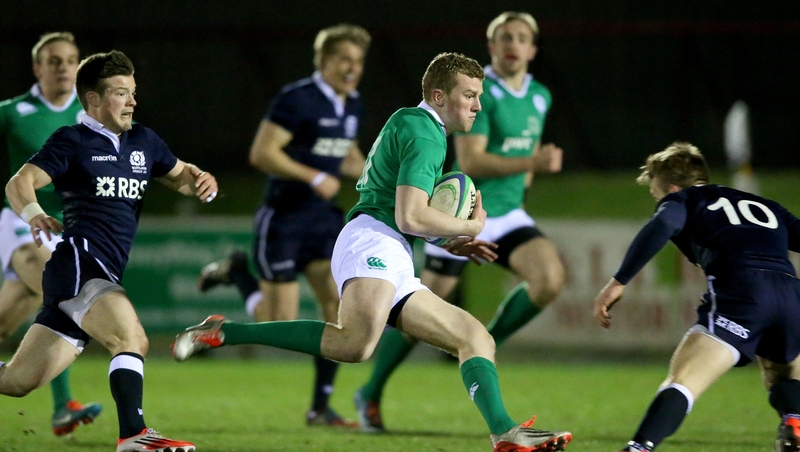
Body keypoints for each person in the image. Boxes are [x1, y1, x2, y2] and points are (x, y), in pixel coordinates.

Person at [173, 52, 573, 452]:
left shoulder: (415, 124)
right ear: (438, 96)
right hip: (372, 241)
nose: (477, 105)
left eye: (479, 96)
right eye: (468, 95)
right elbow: (411, 215)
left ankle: (505, 433)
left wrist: (447, 239)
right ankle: (224, 331)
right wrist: (469, 225)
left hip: (390, 246)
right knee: (356, 344)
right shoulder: (424, 133)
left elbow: (408, 217)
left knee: (475, 338)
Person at [352, 11, 565, 433]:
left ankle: (485, 345)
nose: (514, 43)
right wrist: (533, 162)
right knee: (414, 317)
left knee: (550, 278)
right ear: (492, 45)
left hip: (507, 213)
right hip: (458, 211)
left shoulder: (540, 95)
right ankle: (371, 391)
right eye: (505, 36)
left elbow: (526, 162)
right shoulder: (475, 91)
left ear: (533, 49)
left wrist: (526, 182)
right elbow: (472, 160)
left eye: (522, 37)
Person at [1, 50, 217, 452]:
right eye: (121, 93)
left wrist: (202, 179)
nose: (133, 101)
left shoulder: (144, 141)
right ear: (93, 100)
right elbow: (20, 181)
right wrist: (33, 213)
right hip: (79, 266)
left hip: (98, 274)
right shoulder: (73, 140)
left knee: (16, 381)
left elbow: (181, 176)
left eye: (133, 92)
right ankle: (134, 435)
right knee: (131, 337)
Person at [196, 23, 370, 427]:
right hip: (285, 218)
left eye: (358, 61)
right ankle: (238, 272)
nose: (352, 68)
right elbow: (262, 152)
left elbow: (346, 157)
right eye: (344, 59)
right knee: (276, 325)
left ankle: (320, 407)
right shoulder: (298, 99)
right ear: (324, 61)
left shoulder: (353, 103)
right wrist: (312, 176)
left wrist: (381, 177)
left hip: (324, 220)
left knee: (339, 313)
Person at [592, 143, 800, 452]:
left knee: (684, 380)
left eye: (657, 194)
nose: (659, 201)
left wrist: (618, 281)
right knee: (781, 371)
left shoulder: (684, 199)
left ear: (673, 187)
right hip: (790, 293)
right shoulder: (763, 204)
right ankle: (794, 423)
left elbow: (664, 223)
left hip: (743, 291)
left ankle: (638, 448)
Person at [0, 31, 103, 436]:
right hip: (20, 221)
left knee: (9, 318)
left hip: (70, 228)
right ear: (37, 67)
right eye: (55, 60)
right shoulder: (12, 111)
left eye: (71, 60)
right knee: (57, 287)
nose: (64, 67)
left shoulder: (90, 114)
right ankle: (64, 405)